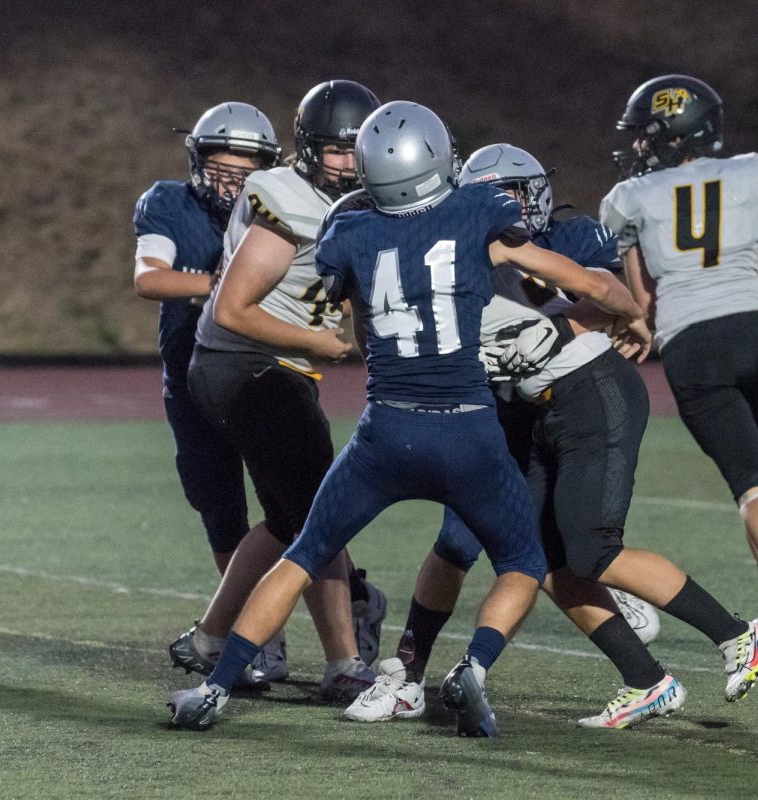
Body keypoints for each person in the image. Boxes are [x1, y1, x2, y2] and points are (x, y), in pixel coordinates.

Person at [167, 101, 647, 736]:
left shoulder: (349, 229)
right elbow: (592, 286)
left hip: (387, 430)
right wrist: (631, 311)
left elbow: (362, 329)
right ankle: (473, 669)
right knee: (526, 560)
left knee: (305, 552)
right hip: (469, 428)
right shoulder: (480, 212)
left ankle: (214, 687)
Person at [345, 144, 758, 730]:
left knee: (591, 546)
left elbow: (601, 289)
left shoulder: (524, 241)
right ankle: (647, 680)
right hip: (525, 407)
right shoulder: (442, 254)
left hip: (584, 394)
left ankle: (736, 633)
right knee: (539, 559)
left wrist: (624, 319)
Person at [600, 74, 758, 665]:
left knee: (749, 483)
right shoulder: (751, 170)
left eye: (646, 135)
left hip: (694, 346)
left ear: (669, 136)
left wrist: (633, 327)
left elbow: (641, 304)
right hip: (755, 334)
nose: (638, 146)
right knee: (756, 478)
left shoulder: (629, 198)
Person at [166, 81, 386, 699]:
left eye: (357, 150)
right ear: (309, 149)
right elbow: (234, 308)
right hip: (247, 363)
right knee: (323, 514)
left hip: (268, 370)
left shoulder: (361, 203)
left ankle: (210, 637)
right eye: (336, 151)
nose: (348, 163)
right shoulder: (285, 194)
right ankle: (345, 664)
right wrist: (319, 343)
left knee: (288, 520)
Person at [133, 101, 280, 576]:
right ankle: (247, 630)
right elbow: (149, 278)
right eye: (221, 169)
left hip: (261, 378)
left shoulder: (278, 215)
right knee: (218, 507)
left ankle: (355, 599)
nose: (231, 183)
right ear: (198, 163)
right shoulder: (170, 204)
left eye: (244, 172)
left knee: (294, 504)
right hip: (191, 376)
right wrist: (222, 288)